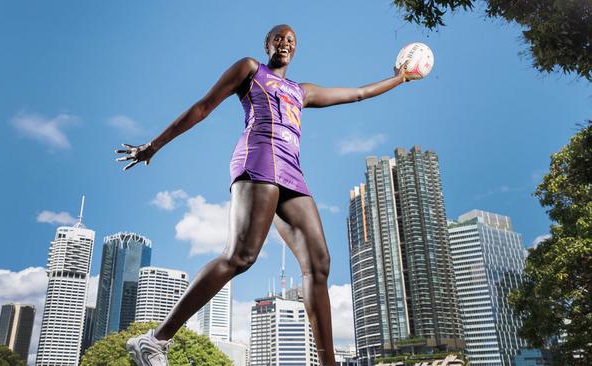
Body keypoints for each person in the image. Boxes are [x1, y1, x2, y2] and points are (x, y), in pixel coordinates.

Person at [118, 24, 409, 366]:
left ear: (295, 50)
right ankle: (154, 340)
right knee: (240, 257)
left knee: (319, 263)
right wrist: (154, 146)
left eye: (291, 40)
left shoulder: (302, 91)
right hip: (258, 158)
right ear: (267, 43)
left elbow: (358, 93)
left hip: (291, 171)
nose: (284, 43)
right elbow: (203, 106)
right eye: (278, 38)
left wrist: (400, 79)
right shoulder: (251, 70)